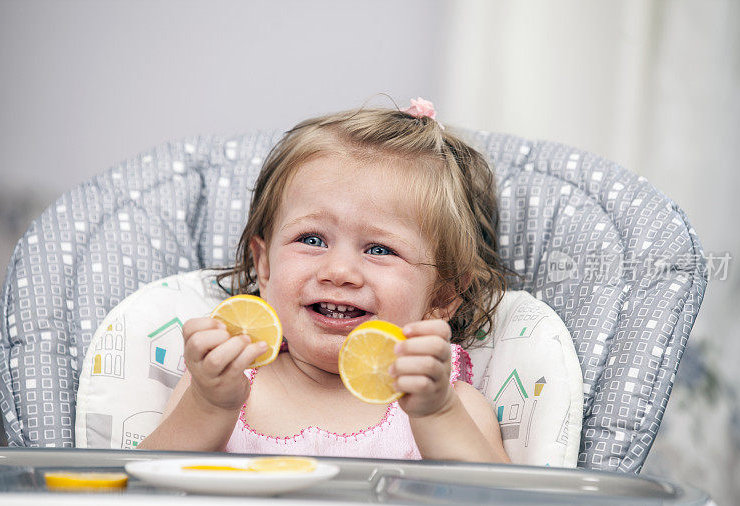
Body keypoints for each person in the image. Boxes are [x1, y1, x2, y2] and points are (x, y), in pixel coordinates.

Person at [139, 98, 515, 462]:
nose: (338, 271)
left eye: (380, 249)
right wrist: (209, 406)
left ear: (443, 296)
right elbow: (140, 491)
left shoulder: (449, 402)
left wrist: (437, 416)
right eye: (312, 240)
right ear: (264, 267)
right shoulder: (221, 385)